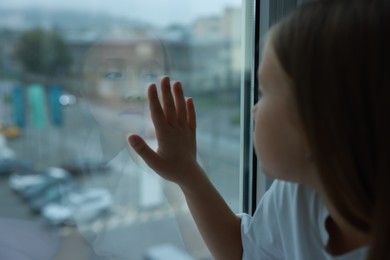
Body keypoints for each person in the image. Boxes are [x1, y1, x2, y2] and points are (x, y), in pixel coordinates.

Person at [128, 0, 390, 259]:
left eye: (263, 93)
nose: (253, 109)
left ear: (318, 124)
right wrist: (187, 172)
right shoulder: (297, 192)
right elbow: (243, 252)